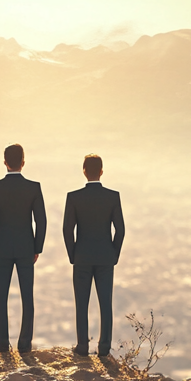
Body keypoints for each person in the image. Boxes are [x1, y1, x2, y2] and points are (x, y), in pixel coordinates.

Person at [0, 143, 46, 353]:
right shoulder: (33, 187)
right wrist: (37, 247)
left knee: (1, 296)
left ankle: (2, 343)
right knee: (27, 296)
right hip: (26, 247)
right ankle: (25, 344)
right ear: (23, 162)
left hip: (0, 247)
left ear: (4, 162)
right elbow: (41, 221)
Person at [62, 153, 125, 357]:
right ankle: (104, 347)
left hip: (82, 256)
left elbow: (67, 229)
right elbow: (120, 229)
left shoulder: (74, 197)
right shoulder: (112, 196)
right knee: (105, 302)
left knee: (82, 302)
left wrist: (73, 254)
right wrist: (113, 254)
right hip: (106, 256)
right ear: (101, 171)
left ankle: (82, 346)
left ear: (83, 170)